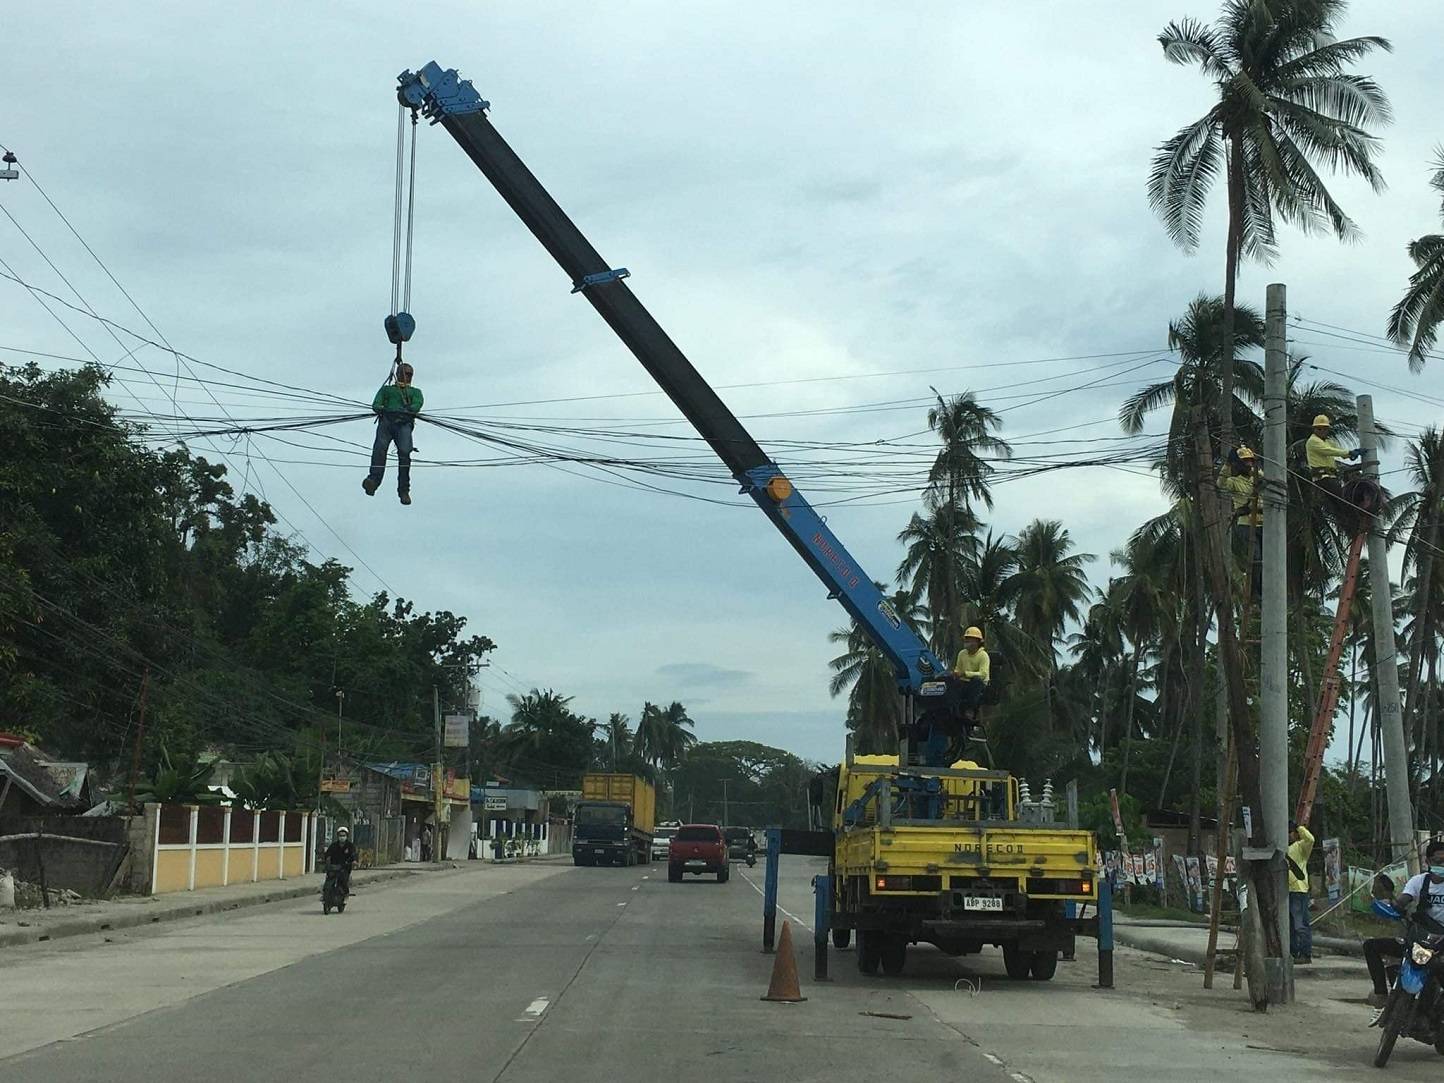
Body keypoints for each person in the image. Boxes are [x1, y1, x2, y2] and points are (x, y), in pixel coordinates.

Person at [1365, 839, 1444, 1007]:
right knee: (1370, 946)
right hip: (1419, 940)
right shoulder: (1419, 882)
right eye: (1438, 861)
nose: (1442, 865)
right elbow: (1402, 901)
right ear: (1428, 861)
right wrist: (1392, 903)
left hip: (1442, 944)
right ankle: (1381, 994)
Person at [363, 362, 424, 505]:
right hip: (387, 422)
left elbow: (417, 404)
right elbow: (376, 404)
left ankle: (404, 490)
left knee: (404, 452)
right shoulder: (387, 390)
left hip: (404, 424)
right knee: (380, 448)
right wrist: (383, 409)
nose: (408, 377)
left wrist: (407, 410)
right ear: (398, 374)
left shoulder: (415, 392)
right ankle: (373, 480)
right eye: (406, 373)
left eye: (410, 374)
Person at [1219, 446, 1263, 598]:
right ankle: (1256, 593)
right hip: (1246, 523)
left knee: (1268, 559)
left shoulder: (1258, 478)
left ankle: (1265, 589)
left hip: (1264, 523)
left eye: (1251, 461)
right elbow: (1221, 484)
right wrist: (1227, 465)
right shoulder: (1233, 481)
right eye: (1245, 462)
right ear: (1238, 464)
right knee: (1256, 558)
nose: (1249, 464)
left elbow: (1271, 481)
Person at [1305, 414, 1360, 509]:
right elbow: (1330, 451)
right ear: (1314, 429)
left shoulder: (1328, 441)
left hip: (1332, 477)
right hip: (1322, 478)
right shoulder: (1313, 441)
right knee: (1344, 502)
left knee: (1340, 506)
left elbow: (1338, 451)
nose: (1322, 431)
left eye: (1325, 429)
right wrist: (1350, 453)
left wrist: (1351, 454)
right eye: (1319, 429)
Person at [1287, 819, 1315, 963]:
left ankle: (1305, 953)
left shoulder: (1301, 847)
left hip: (1298, 890)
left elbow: (1310, 839)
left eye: (1291, 832)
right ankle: (1294, 952)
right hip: (1286, 891)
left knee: (1300, 924)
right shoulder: (1284, 848)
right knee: (1291, 925)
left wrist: (1299, 827)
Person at [953, 625, 990, 719]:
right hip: (964, 682)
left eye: (970, 640)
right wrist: (955, 673)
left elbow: (983, 674)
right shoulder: (962, 654)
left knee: (976, 681)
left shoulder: (983, 655)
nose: (967, 642)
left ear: (977, 642)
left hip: (979, 685)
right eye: (966, 639)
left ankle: (970, 709)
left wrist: (966, 674)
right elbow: (958, 668)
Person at [323, 826, 357, 897]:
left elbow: (354, 855)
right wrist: (326, 860)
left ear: (346, 836)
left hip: (345, 867)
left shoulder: (350, 846)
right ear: (338, 836)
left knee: (343, 879)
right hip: (334, 867)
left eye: (343, 835)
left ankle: (345, 894)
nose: (342, 837)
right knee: (328, 879)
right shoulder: (333, 845)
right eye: (340, 835)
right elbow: (328, 854)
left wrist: (354, 861)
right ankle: (325, 895)